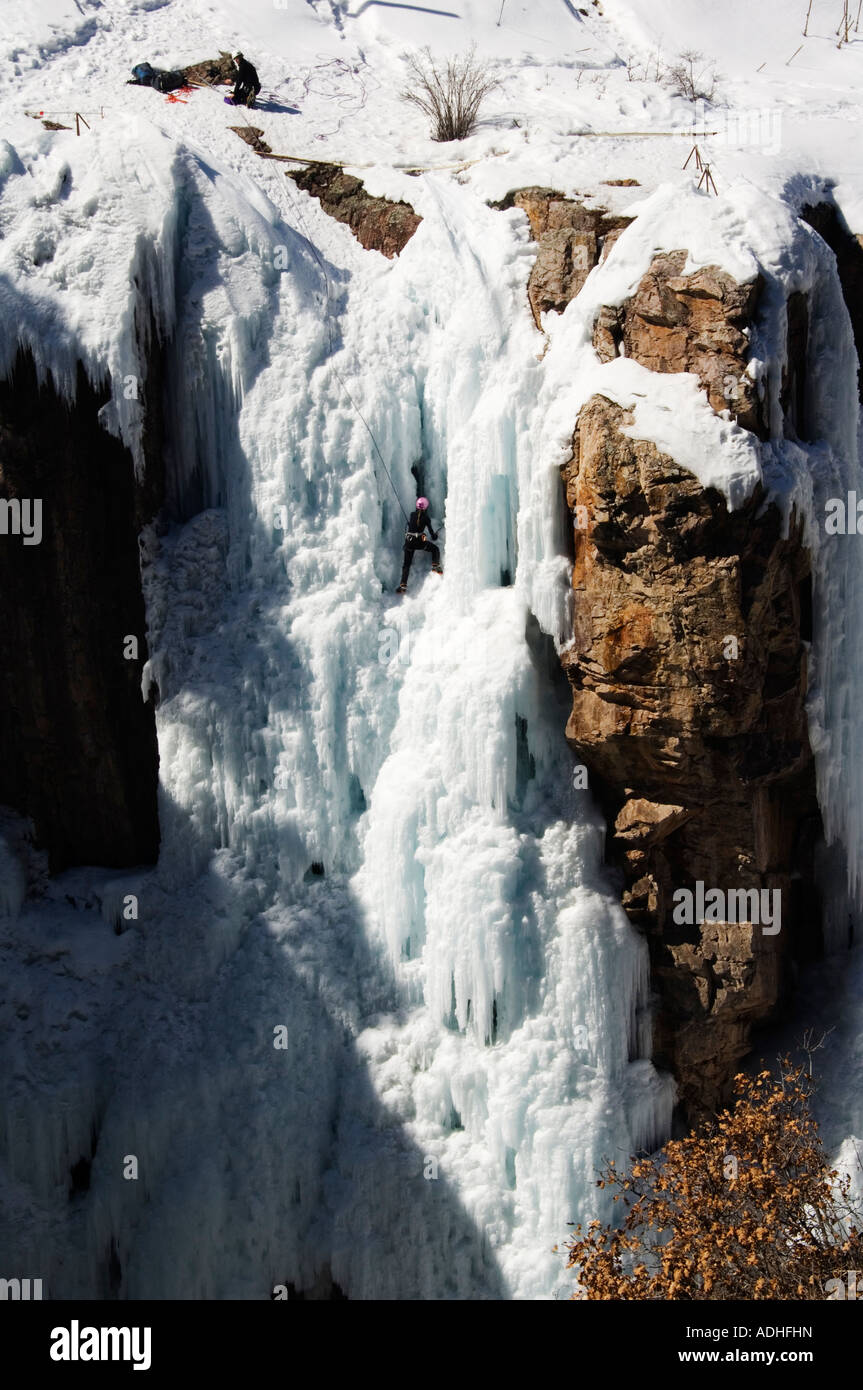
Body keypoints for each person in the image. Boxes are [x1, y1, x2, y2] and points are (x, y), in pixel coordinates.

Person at [397, 498, 442, 593]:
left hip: (409, 542)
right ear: (426, 507)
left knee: (406, 565)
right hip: (419, 543)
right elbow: (432, 536)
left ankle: (403, 585)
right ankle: (435, 565)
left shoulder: (412, 515)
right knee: (435, 549)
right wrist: (435, 536)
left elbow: (413, 525)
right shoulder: (426, 518)